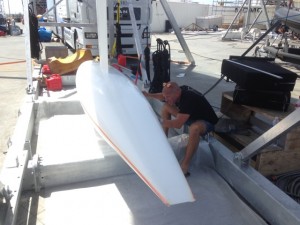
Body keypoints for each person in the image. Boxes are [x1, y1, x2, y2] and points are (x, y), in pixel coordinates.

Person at [143, 82, 218, 176]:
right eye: (166, 97)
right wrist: (148, 95)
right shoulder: (179, 90)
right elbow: (163, 95)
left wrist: (159, 121)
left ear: (177, 93)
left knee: (194, 128)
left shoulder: (189, 99)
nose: (166, 99)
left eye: (168, 97)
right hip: (192, 116)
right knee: (166, 106)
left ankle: (185, 165)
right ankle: (163, 142)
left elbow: (178, 124)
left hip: (206, 122)